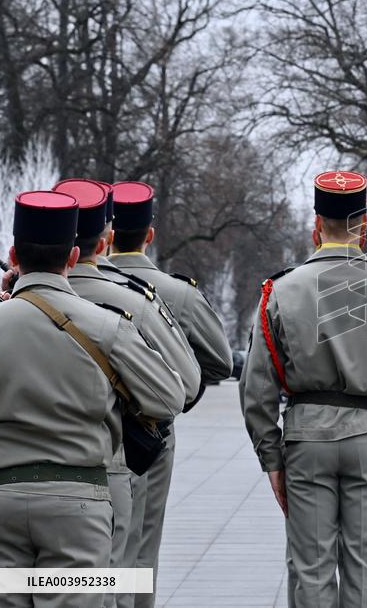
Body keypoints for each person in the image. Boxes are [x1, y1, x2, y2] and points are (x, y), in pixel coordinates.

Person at [240, 170, 367, 607]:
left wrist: (271, 458)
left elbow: (256, 388)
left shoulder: (280, 290)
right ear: (364, 226)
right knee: (366, 568)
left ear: (316, 225)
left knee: (309, 569)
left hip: (306, 440)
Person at [0, 190, 186, 608]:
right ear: (75, 254)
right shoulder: (105, 327)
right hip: (76, 506)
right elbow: (170, 396)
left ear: (13, 254)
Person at [53, 179, 202, 608]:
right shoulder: (130, 303)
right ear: (104, 241)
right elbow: (185, 385)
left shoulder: (7, 309)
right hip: (110, 466)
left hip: (14, 479)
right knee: (114, 583)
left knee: (31, 588)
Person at [108, 181, 233, 608]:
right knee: (141, 546)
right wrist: (174, 397)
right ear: (150, 234)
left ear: (107, 233)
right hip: (149, 433)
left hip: (78, 426)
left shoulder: (75, 285)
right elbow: (219, 360)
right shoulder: (176, 292)